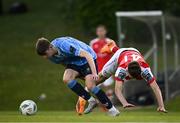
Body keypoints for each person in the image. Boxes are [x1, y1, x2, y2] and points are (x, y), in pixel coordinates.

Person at [35, 36, 120, 116]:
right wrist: (77, 75)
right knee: (67, 78)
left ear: (50, 47)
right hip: (74, 62)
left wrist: (94, 73)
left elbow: (87, 55)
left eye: (45, 54)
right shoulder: (51, 56)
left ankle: (112, 110)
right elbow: (63, 62)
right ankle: (91, 101)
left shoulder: (64, 45)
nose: (45, 57)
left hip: (87, 58)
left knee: (91, 86)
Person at [84, 41, 167, 113]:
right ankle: (86, 88)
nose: (130, 78)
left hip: (134, 51)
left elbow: (156, 88)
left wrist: (161, 106)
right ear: (127, 71)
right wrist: (124, 103)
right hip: (119, 56)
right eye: (130, 77)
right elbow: (117, 90)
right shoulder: (122, 69)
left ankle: (113, 47)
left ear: (140, 73)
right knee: (103, 77)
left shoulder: (146, 70)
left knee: (120, 54)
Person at [76, 25, 115, 114]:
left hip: (107, 70)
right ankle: (101, 106)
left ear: (105, 31)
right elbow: (89, 55)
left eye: (102, 31)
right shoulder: (93, 43)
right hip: (96, 70)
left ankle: (108, 107)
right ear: (97, 32)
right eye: (99, 31)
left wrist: (113, 70)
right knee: (94, 89)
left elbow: (114, 56)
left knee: (108, 89)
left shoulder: (109, 42)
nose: (101, 33)